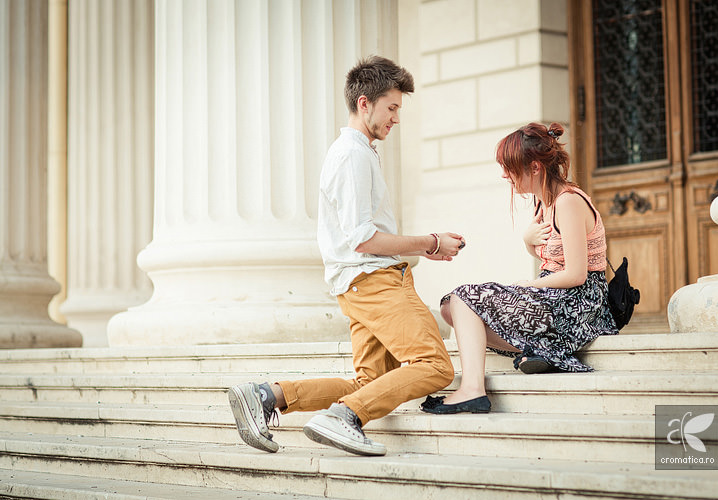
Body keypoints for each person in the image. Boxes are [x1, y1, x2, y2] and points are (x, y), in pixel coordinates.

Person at [228, 55, 465, 455]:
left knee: (367, 383)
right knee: (435, 365)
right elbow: (363, 238)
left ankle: (269, 396)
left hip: (357, 284)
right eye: (391, 108)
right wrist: (430, 242)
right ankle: (344, 416)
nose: (396, 118)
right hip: (374, 280)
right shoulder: (353, 154)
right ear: (364, 104)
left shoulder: (357, 151)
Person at [421, 122, 618, 415]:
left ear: (535, 167)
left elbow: (577, 274)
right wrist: (528, 243)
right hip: (556, 298)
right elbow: (553, 259)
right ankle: (544, 350)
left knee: (463, 299)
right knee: (451, 307)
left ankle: (472, 390)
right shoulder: (544, 204)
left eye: (509, 167)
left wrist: (530, 285)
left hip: (578, 304)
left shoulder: (569, 202)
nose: (504, 175)